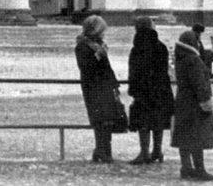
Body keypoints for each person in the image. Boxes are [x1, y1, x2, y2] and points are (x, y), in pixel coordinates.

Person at [75, 15, 122, 163]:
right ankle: (101, 150)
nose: (104, 33)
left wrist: (114, 84)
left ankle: (105, 150)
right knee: (99, 120)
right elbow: (85, 67)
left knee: (108, 120)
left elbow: (107, 67)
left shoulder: (99, 44)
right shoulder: (82, 46)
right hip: (93, 87)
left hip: (105, 86)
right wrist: (97, 55)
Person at [128, 16, 174, 165]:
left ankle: (144, 152)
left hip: (143, 91)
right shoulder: (160, 46)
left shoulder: (138, 47)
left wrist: (133, 89)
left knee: (143, 122)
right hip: (161, 89)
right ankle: (157, 151)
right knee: (158, 121)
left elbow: (134, 71)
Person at [171, 31, 213, 181]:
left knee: (185, 136)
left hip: (183, 102)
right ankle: (199, 169)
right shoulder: (193, 60)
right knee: (197, 137)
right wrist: (206, 101)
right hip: (195, 104)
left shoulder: (181, 58)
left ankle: (186, 167)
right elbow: (199, 83)